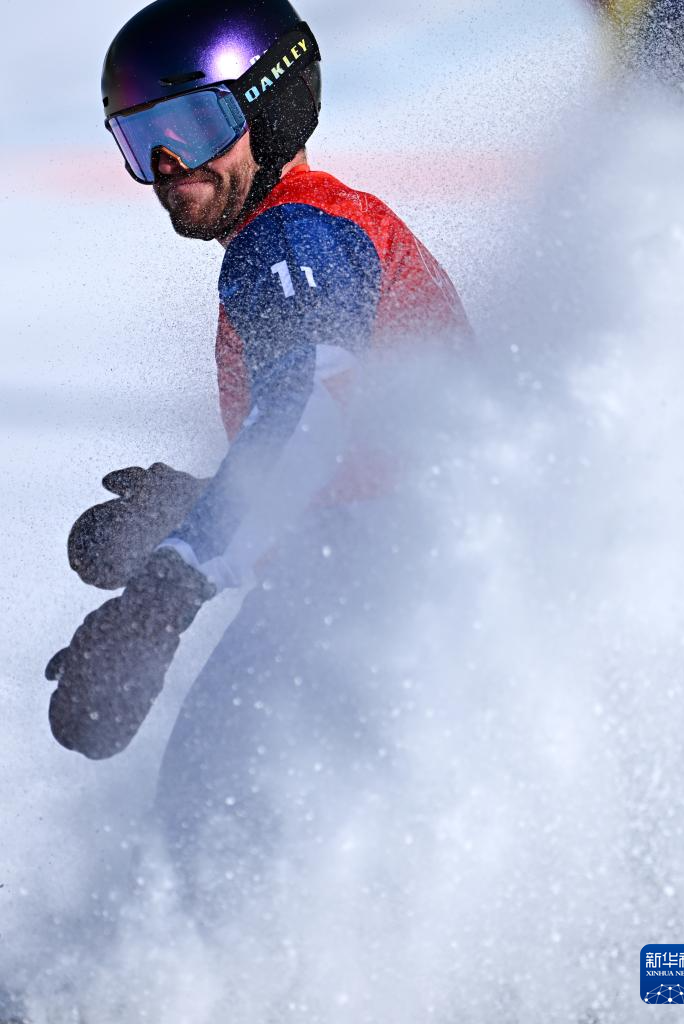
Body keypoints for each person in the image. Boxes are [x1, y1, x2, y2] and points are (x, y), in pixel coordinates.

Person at [45, 0, 472, 915]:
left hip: (384, 616)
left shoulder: (292, 237)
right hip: (417, 597)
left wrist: (168, 588)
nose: (170, 169)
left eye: (193, 127)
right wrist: (206, 501)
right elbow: (369, 447)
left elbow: (308, 406)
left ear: (272, 108)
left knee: (211, 872)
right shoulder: (322, 227)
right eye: (142, 142)